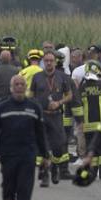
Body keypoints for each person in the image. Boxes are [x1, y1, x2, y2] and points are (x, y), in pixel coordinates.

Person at [0, 75, 49, 200]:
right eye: (16, 84)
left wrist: (45, 155)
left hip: (28, 155)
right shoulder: (3, 107)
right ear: (11, 87)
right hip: (8, 154)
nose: (19, 87)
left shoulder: (34, 107)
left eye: (22, 84)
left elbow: (40, 132)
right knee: (8, 186)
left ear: (26, 87)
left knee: (25, 189)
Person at [29, 51, 74, 185]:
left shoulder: (62, 77)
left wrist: (59, 103)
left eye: (51, 60)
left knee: (57, 146)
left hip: (56, 116)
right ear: (43, 62)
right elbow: (31, 96)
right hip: (42, 115)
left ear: (55, 62)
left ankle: (55, 169)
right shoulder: (37, 77)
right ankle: (44, 176)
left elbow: (69, 95)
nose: (49, 63)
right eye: (46, 60)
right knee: (43, 146)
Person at [72, 61, 101, 178]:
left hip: (87, 127)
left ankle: (93, 173)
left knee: (92, 149)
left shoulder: (82, 88)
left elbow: (77, 106)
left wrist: (79, 121)